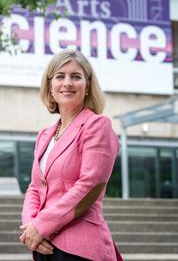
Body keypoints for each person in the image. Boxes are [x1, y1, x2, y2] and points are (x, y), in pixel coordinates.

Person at [19, 49, 123, 261]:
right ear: (50, 86)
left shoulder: (97, 125)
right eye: (60, 76)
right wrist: (31, 227)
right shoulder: (44, 135)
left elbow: (90, 186)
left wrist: (41, 226)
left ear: (87, 87)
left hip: (80, 248)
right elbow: (35, 187)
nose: (67, 82)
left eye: (76, 76)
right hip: (43, 245)